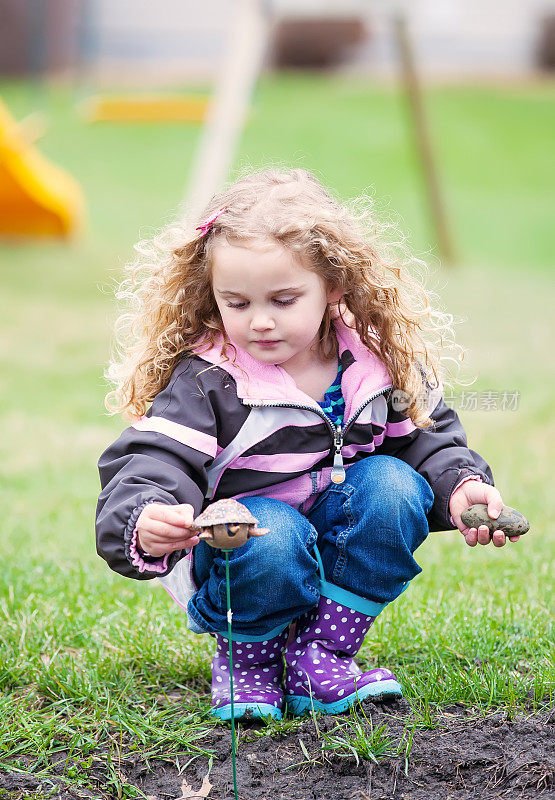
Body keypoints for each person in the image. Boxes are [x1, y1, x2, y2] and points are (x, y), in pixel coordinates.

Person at [96, 168, 518, 722]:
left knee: (393, 486)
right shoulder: (211, 378)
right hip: (243, 549)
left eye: (284, 299)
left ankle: (320, 653)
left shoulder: (375, 362)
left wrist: (461, 485)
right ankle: (248, 657)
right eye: (238, 303)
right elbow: (156, 457)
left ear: (334, 286)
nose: (261, 322)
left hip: (331, 530)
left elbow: (425, 439)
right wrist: (145, 513)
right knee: (273, 535)